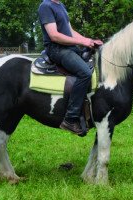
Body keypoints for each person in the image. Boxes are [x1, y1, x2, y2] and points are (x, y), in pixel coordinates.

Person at [38, 0, 103, 135]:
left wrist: (88, 40)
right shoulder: (46, 6)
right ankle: (70, 118)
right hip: (57, 49)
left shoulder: (60, 5)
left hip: (69, 48)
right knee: (85, 73)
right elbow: (54, 35)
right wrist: (82, 42)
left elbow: (70, 31)